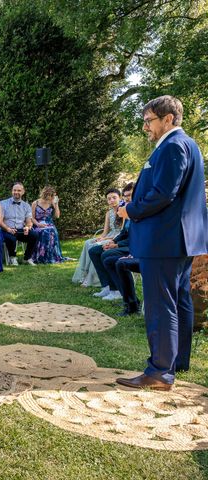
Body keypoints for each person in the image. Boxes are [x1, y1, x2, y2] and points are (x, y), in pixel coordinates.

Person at [116, 95, 208, 391]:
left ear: (168, 119)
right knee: (179, 301)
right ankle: (176, 360)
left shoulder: (171, 146)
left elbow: (162, 193)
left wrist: (129, 210)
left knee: (160, 305)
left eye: (149, 120)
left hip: (164, 240)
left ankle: (158, 372)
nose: (145, 127)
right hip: (179, 239)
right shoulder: (188, 145)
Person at [72, 188, 124, 286]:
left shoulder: (123, 211)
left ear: (120, 198)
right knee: (88, 242)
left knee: (95, 247)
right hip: (109, 235)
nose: (111, 200)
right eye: (109, 199)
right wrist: (101, 237)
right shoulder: (108, 213)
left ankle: (91, 277)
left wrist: (105, 239)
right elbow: (105, 232)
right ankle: (84, 273)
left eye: (114, 198)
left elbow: (122, 232)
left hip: (117, 238)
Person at [0, 182, 39, 266]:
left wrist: (27, 227)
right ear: (11, 191)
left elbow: (29, 222)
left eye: (19, 190)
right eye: (14, 190)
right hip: (6, 229)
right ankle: (12, 258)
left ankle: (27, 258)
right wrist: (8, 229)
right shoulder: (3, 204)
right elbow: (0, 221)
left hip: (20, 230)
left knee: (34, 235)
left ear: (23, 192)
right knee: (11, 238)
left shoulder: (26, 206)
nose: (16, 192)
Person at [31, 186, 65, 264]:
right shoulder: (35, 203)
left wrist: (56, 204)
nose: (50, 198)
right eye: (49, 196)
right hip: (38, 224)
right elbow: (32, 218)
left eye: (52, 196)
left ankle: (52, 256)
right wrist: (38, 224)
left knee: (52, 231)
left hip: (49, 224)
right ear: (45, 194)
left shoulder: (52, 202)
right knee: (44, 232)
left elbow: (57, 216)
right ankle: (41, 256)